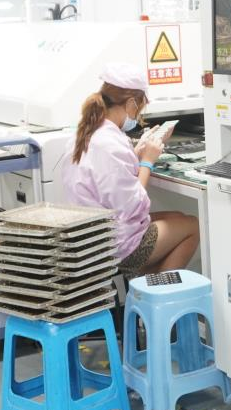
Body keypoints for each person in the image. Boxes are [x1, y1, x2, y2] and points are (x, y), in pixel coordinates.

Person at [58, 63, 199, 274]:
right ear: (131, 103)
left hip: (89, 238)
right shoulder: (112, 145)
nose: (138, 115)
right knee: (193, 226)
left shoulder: (87, 134)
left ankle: (146, 287)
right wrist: (147, 161)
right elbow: (134, 205)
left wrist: (136, 152)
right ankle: (159, 291)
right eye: (140, 108)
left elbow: (107, 175)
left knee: (177, 217)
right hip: (114, 246)